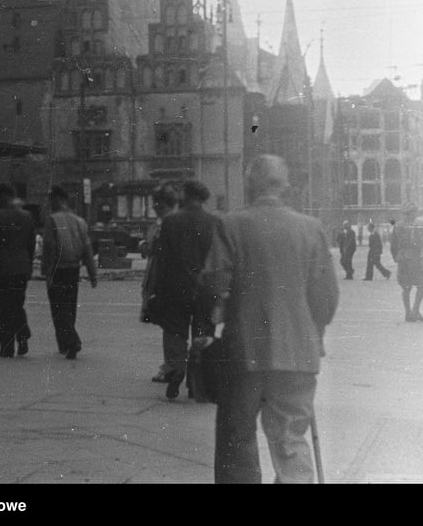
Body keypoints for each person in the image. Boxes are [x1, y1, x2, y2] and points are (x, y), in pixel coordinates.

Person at [200, 155, 339, 483]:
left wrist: (218, 309)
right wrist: (314, 333)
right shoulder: (311, 228)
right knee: (291, 439)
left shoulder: (231, 224)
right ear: (286, 186)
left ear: (249, 184)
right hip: (299, 353)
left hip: (244, 351)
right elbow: (326, 296)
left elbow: (214, 283)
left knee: (238, 439)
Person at [154, 180, 218, 399]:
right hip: (205, 289)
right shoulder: (214, 222)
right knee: (202, 333)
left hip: (176, 288)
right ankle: (196, 382)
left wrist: (157, 290)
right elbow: (218, 260)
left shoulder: (171, 222)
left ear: (187, 194)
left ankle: (176, 369)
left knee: (174, 332)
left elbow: (161, 260)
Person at [42, 186, 98, 360]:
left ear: (59, 200)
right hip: (74, 269)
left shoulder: (52, 220)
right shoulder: (79, 221)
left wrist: (47, 272)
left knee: (59, 308)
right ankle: (65, 344)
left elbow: (49, 248)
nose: (50, 203)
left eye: (52, 199)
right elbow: (87, 248)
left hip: (58, 269)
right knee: (70, 307)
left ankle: (72, 342)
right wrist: (92, 273)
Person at [0, 183, 35, 358]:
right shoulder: (27, 216)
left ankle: (7, 347)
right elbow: (31, 245)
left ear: (4, 196)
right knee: (17, 304)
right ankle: (22, 334)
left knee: (2, 309)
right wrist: (29, 265)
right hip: (22, 268)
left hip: (1, 270)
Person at [139, 184, 179, 382]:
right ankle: (172, 364)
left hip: (164, 280)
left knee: (170, 326)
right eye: (154, 204)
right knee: (168, 325)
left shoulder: (172, 223)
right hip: (155, 277)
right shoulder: (158, 224)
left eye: (159, 205)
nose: (155, 208)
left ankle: (172, 366)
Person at [390, 202, 423, 322]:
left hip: (401, 258)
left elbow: (393, 244)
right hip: (414, 258)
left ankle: (408, 313)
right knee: (421, 286)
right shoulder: (417, 225)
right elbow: (420, 242)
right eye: (415, 211)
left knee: (406, 288)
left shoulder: (397, 226)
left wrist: (396, 257)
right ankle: (415, 311)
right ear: (412, 213)